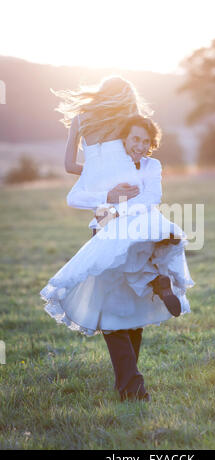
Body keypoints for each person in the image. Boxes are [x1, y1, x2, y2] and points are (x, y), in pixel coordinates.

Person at [40, 76, 195, 402]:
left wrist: (99, 181)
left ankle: (131, 384)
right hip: (137, 217)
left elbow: (71, 166)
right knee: (129, 306)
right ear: (127, 98)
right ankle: (128, 382)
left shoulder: (81, 120)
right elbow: (137, 161)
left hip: (107, 217)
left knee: (111, 306)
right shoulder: (127, 124)